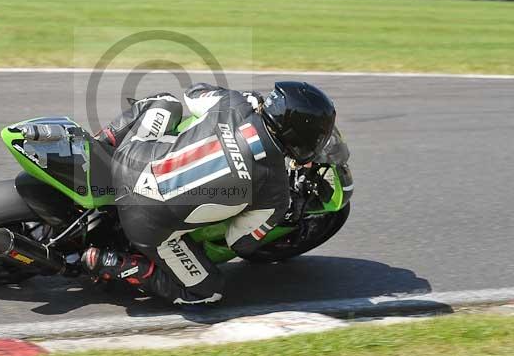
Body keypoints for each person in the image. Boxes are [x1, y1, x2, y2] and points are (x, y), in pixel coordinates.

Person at [82, 81, 336, 304]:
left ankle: (100, 144)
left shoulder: (234, 103)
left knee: (166, 101)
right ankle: (121, 265)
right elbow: (240, 243)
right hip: (143, 224)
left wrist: (244, 97)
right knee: (207, 291)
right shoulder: (277, 195)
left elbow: (193, 93)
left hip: (127, 158)